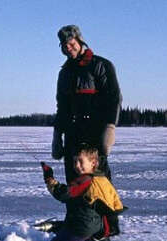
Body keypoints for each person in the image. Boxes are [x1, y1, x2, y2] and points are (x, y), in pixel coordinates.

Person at [52, 25, 122, 183]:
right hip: (73, 134)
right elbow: (62, 107)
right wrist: (57, 135)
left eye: (71, 44)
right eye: (64, 46)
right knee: (74, 183)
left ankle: (103, 208)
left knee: (98, 183)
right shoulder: (64, 73)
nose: (68, 48)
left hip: (95, 133)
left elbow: (114, 98)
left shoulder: (101, 65)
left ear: (80, 41)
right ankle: (75, 209)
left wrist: (110, 127)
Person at [41, 144, 125, 241]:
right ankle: (94, 237)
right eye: (75, 161)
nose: (77, 165)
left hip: (84, 226)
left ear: (93, 163)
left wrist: (49, 178)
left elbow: (62, 193)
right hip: (96, 224)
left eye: (81, 161)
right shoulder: (101, 178)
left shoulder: (84, 181)